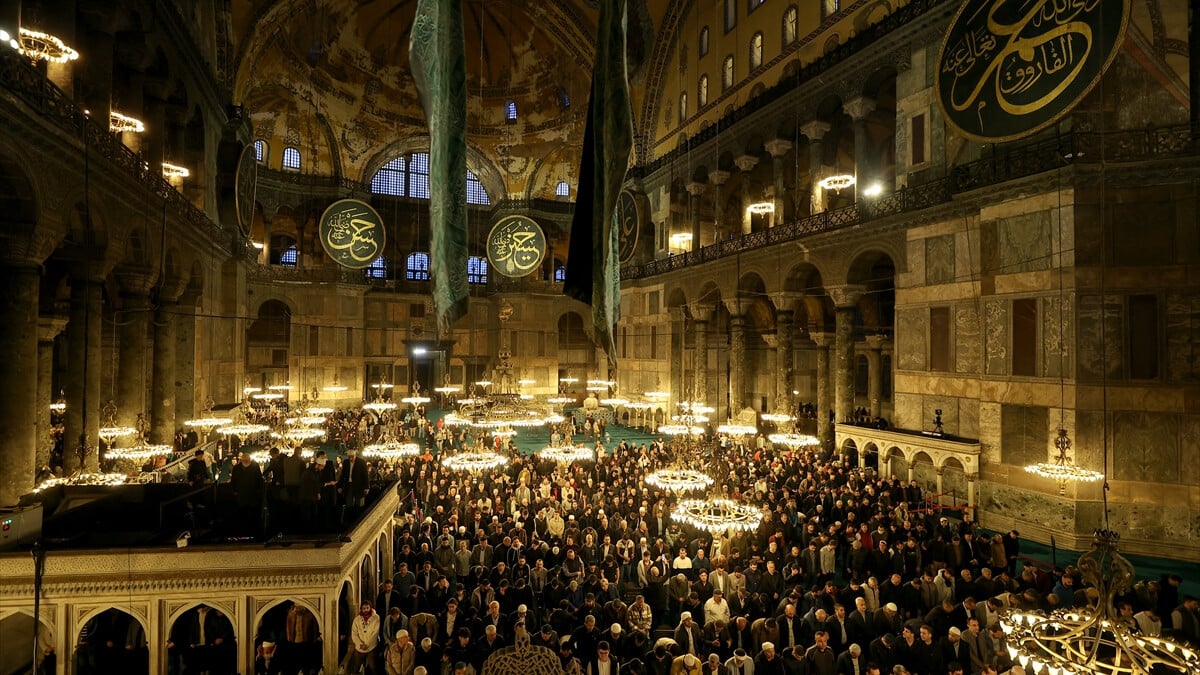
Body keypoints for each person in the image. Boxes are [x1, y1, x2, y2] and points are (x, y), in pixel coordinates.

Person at [341, 601, 379, 674]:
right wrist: (360, 644)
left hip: (371, 647)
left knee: (373, 667)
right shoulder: (357, 619)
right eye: (364, 608)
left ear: (370, 608)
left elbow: (375, 633)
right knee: (356, 667)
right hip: (360, 648)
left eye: (367, 608)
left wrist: (367, 644)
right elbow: (354, 633)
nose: (366, 610)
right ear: (361, 609)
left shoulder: (376, 618)